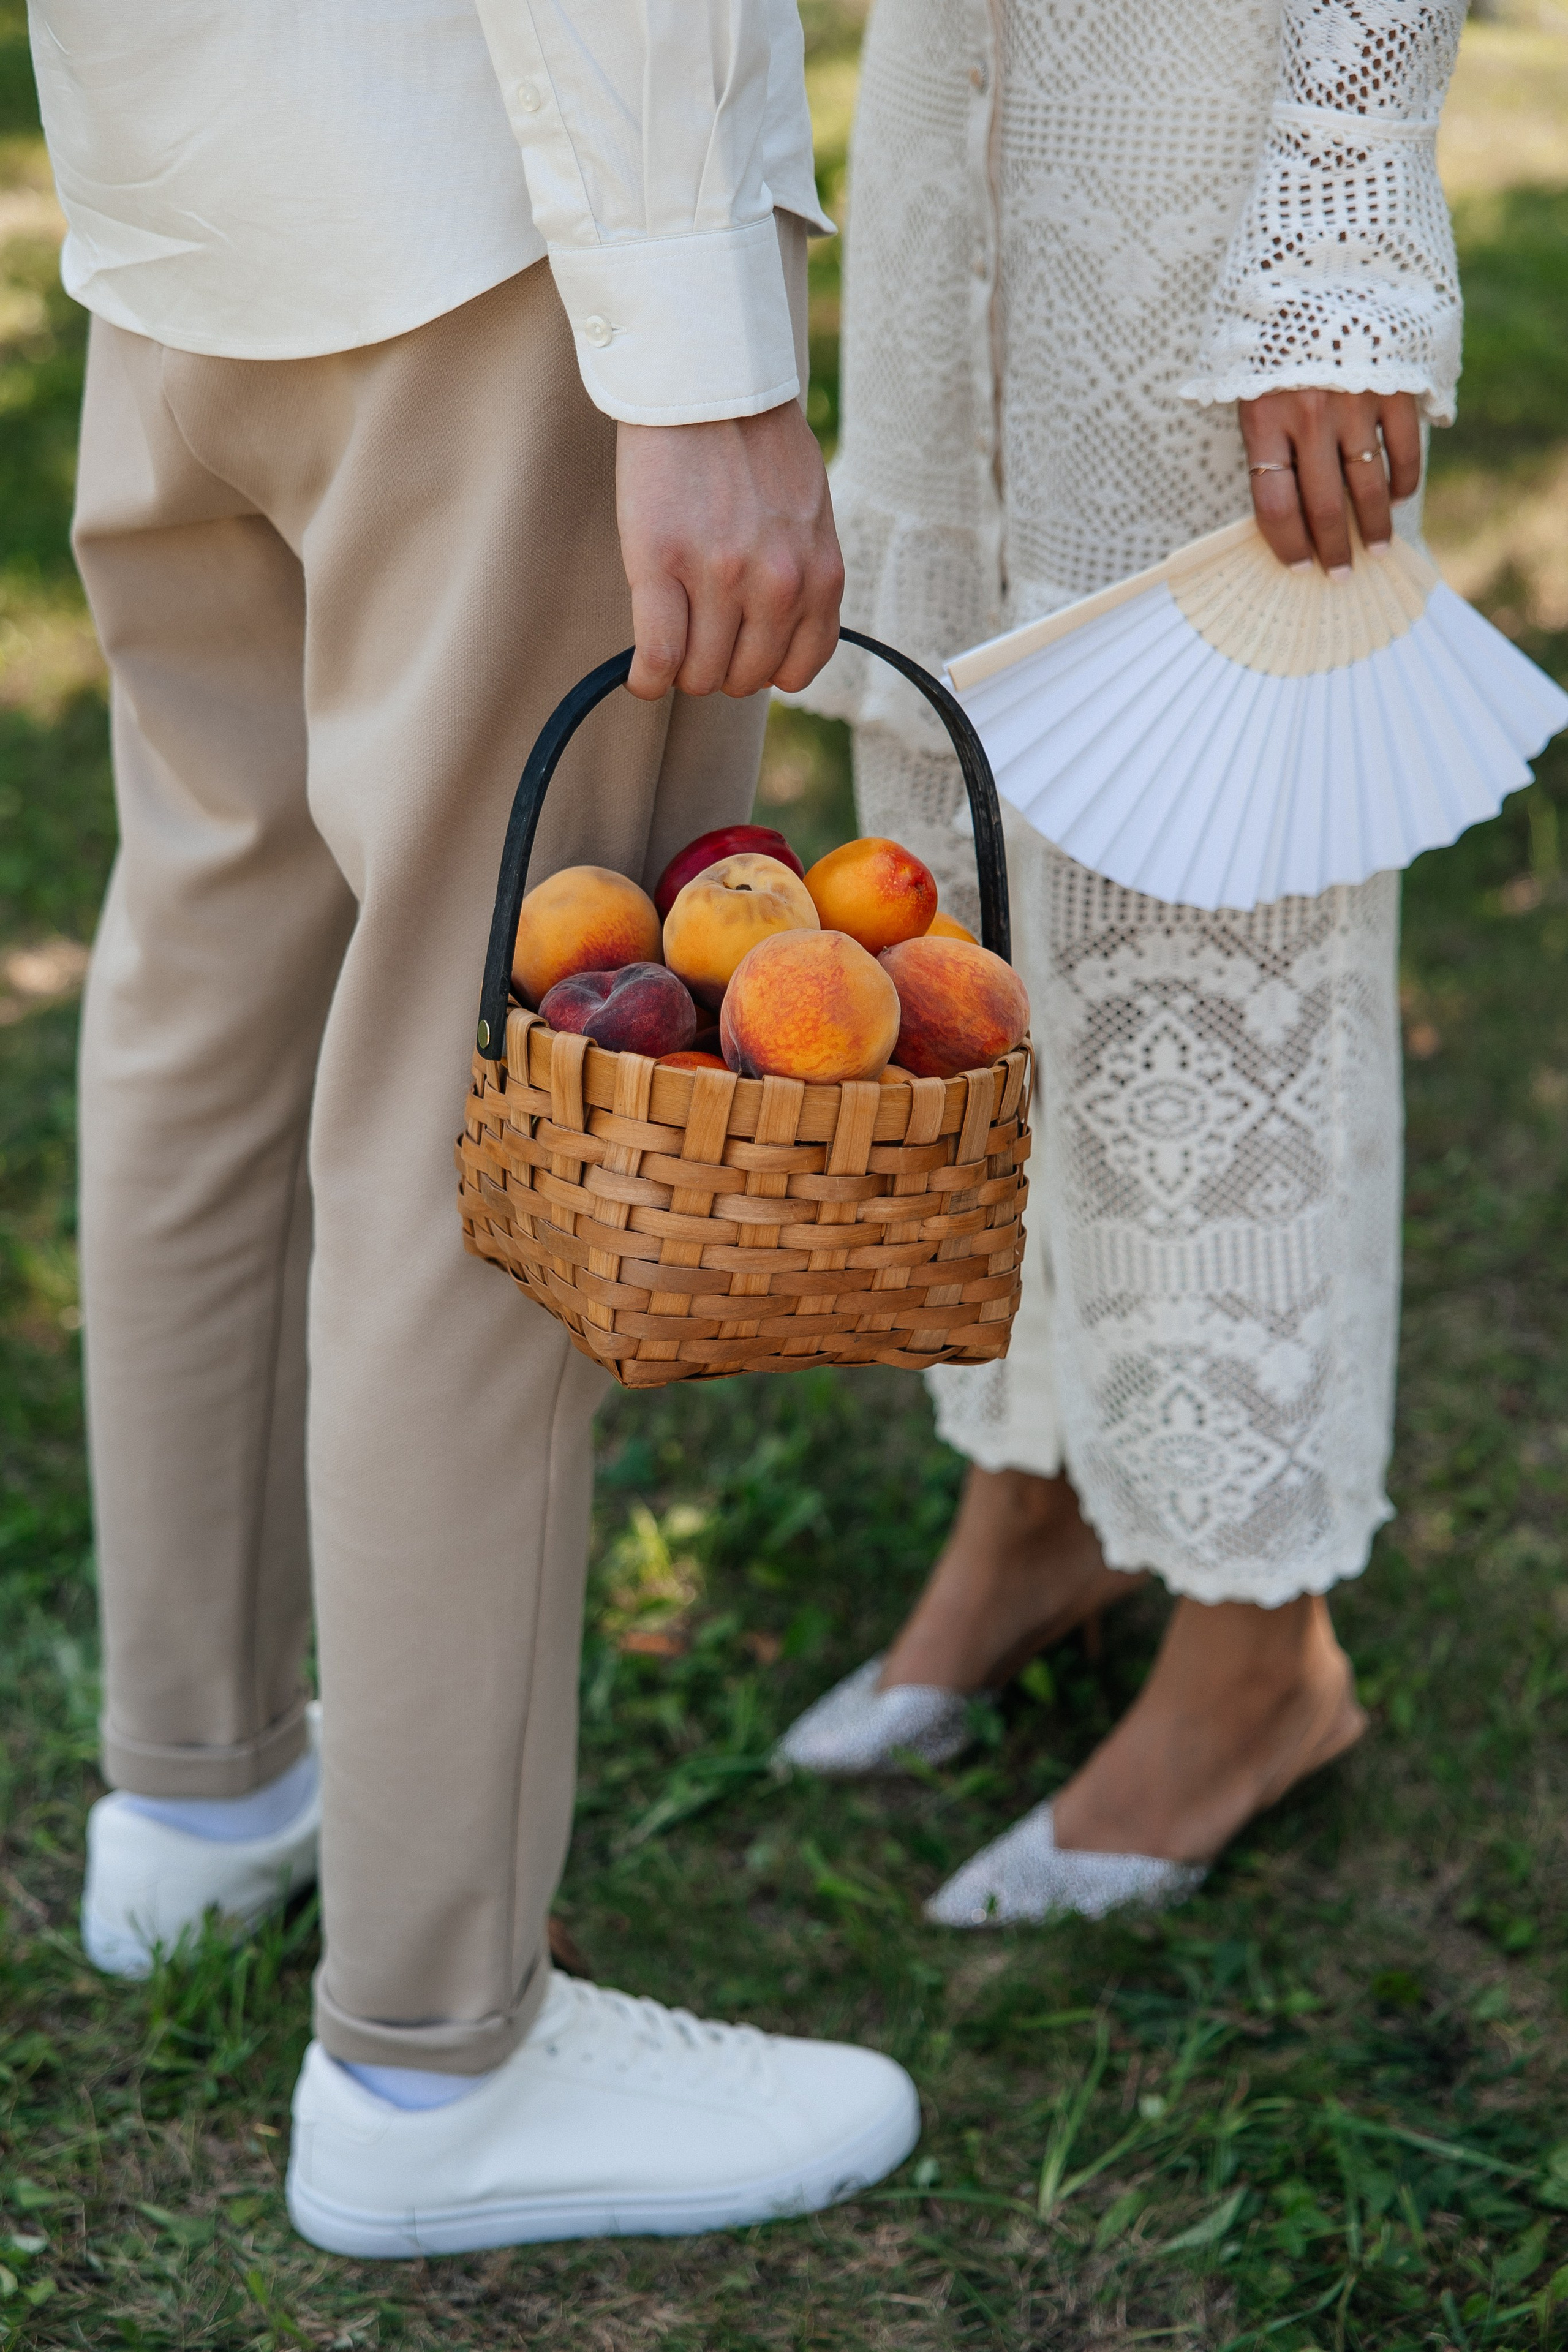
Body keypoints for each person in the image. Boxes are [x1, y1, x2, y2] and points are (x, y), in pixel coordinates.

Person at [40, 0, 921, 2257]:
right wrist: (704, 347)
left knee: (204, 994)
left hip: (188, 190)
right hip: (500, 227)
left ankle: (201, 1795)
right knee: (500, 1099)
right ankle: (441, 2058)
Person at [780, 0, 1466, 1922]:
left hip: (1204, 149)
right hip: (958, 118)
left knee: (1209, 904)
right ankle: (1042, 1498)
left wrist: (1336, 259)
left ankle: (1259, 1658)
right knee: (959, 849)